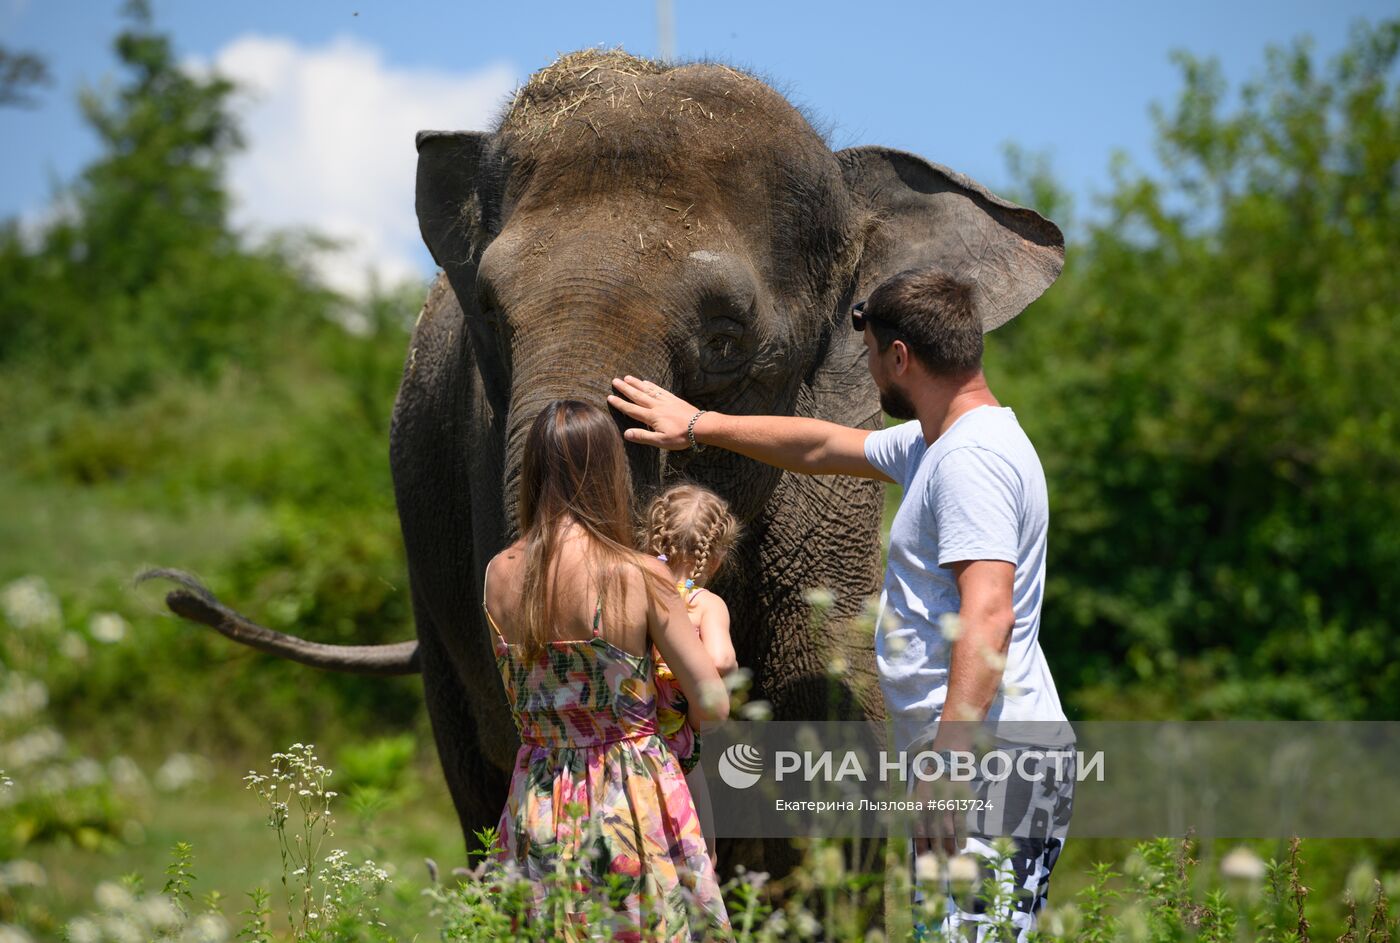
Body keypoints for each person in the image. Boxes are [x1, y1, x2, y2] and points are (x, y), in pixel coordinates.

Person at [607, 269, 1074, 941]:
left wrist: (947, 766)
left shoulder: (974, 460)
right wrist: (699, 424)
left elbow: (989, 614)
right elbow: (821, 445)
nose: (872, 377)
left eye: (870, 358)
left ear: (900, 357)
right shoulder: (937, 446)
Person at [482, 399, 733, 942]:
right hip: (633, 803)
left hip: (538, 798)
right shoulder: (638, 573)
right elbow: (712, 702)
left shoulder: (498, 575)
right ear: (608, 472)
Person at [641, 483, 741, 866]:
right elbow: (719, 660)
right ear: (715, 558)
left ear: (653, 542)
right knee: (702, 854)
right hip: (680, 744)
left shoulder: (639, 590)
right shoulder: (705, 604)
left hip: (631, 739)